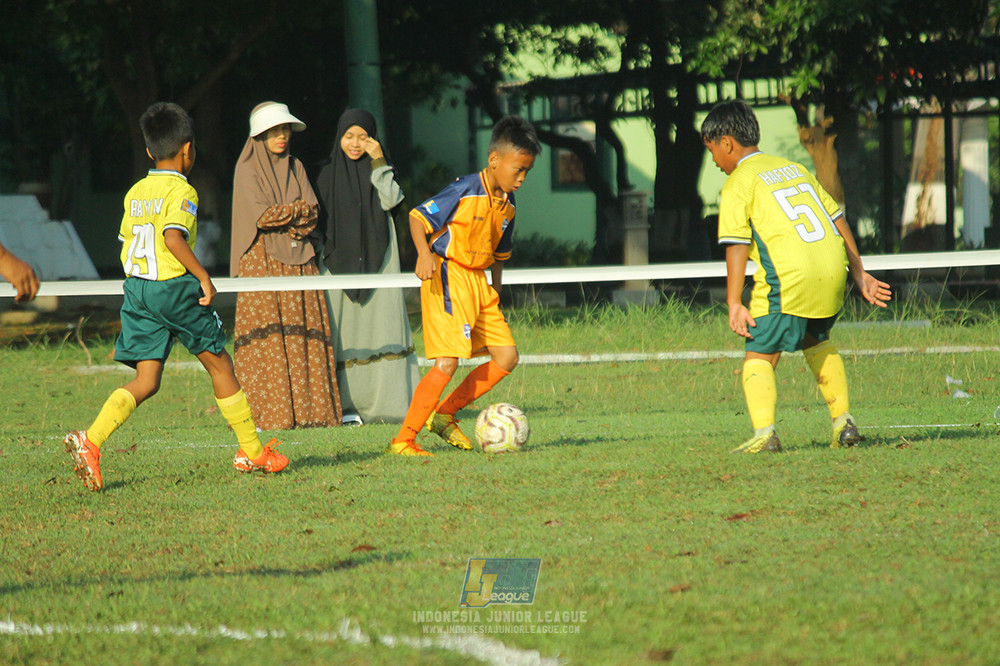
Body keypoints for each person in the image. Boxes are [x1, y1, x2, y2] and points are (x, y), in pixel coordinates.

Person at [64, 102, 288, 492]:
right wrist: (203, 277)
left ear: (149, 151)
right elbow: (172, 237)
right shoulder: (182, 190)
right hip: (172, 288)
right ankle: (252, 452)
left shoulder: (136, 191)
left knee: (147, 379)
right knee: (221, 366)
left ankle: (91, 441)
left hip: (138, 289)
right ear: (188, 150)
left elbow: (129, 240)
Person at [701, 99, 891, 454]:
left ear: (726, 143)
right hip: (831, 270)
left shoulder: (739, 182)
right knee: (815, 340)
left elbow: (736, 245)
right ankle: (844, 423)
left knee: (759, 352)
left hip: (788, 276)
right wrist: (859, 272)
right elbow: (836, 218)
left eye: (712, 151)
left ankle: (764, 434)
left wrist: (734, 301)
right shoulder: (793, 169)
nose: (714, 161)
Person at [388, 116, 540, 456]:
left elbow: (500, 254)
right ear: (494, 160)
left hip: (479, 283)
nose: (522, 178)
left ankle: (445, 414)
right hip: (448, 275)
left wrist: (496, 289)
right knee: (447, 362)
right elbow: (417, 217)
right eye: (518, 170)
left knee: (507, 357)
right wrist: (423, 254)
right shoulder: (466, 189)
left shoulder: (509, 204)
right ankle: (403, 441)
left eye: (527, 172)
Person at [230, 101, 342, 430]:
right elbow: (262, 217)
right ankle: (270, 414)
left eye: (285, 130)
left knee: (304, 332)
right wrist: (295, 212)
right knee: (268, 336)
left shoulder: (296, 166)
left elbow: (312, 213)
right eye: (274, 131)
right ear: (260, 135)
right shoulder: (246, 169)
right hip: (261, 262)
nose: (282, 136)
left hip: (300, 261)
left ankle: (311, 413)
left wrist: (290, 216)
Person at [315, 108, 421, 425]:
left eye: (363, 137)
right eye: (349, 136)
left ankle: (389, 406)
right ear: (339, 137)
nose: (355, 143)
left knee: (383, 329)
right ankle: (345, 407)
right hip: (336, 268)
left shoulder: (382, 170)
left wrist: (379, 162)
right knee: (343, 335)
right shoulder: (325, 175)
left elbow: (392, 200)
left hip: (380, 262)